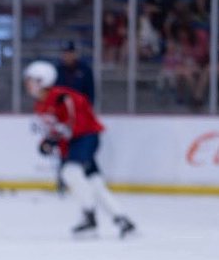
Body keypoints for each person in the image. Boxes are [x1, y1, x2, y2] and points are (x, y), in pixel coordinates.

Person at [23, 60, 135, 238]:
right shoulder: (41, 105)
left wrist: (53, 140)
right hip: (72, 142)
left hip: (85, 138)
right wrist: (47, 142)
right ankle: (122, 219)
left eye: (31, 80)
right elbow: (55, 129)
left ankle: (89, 216)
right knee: (94, 181)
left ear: (42, 80)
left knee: (70, 172)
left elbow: (72, 123)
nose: (27, 84)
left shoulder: (62, 98)